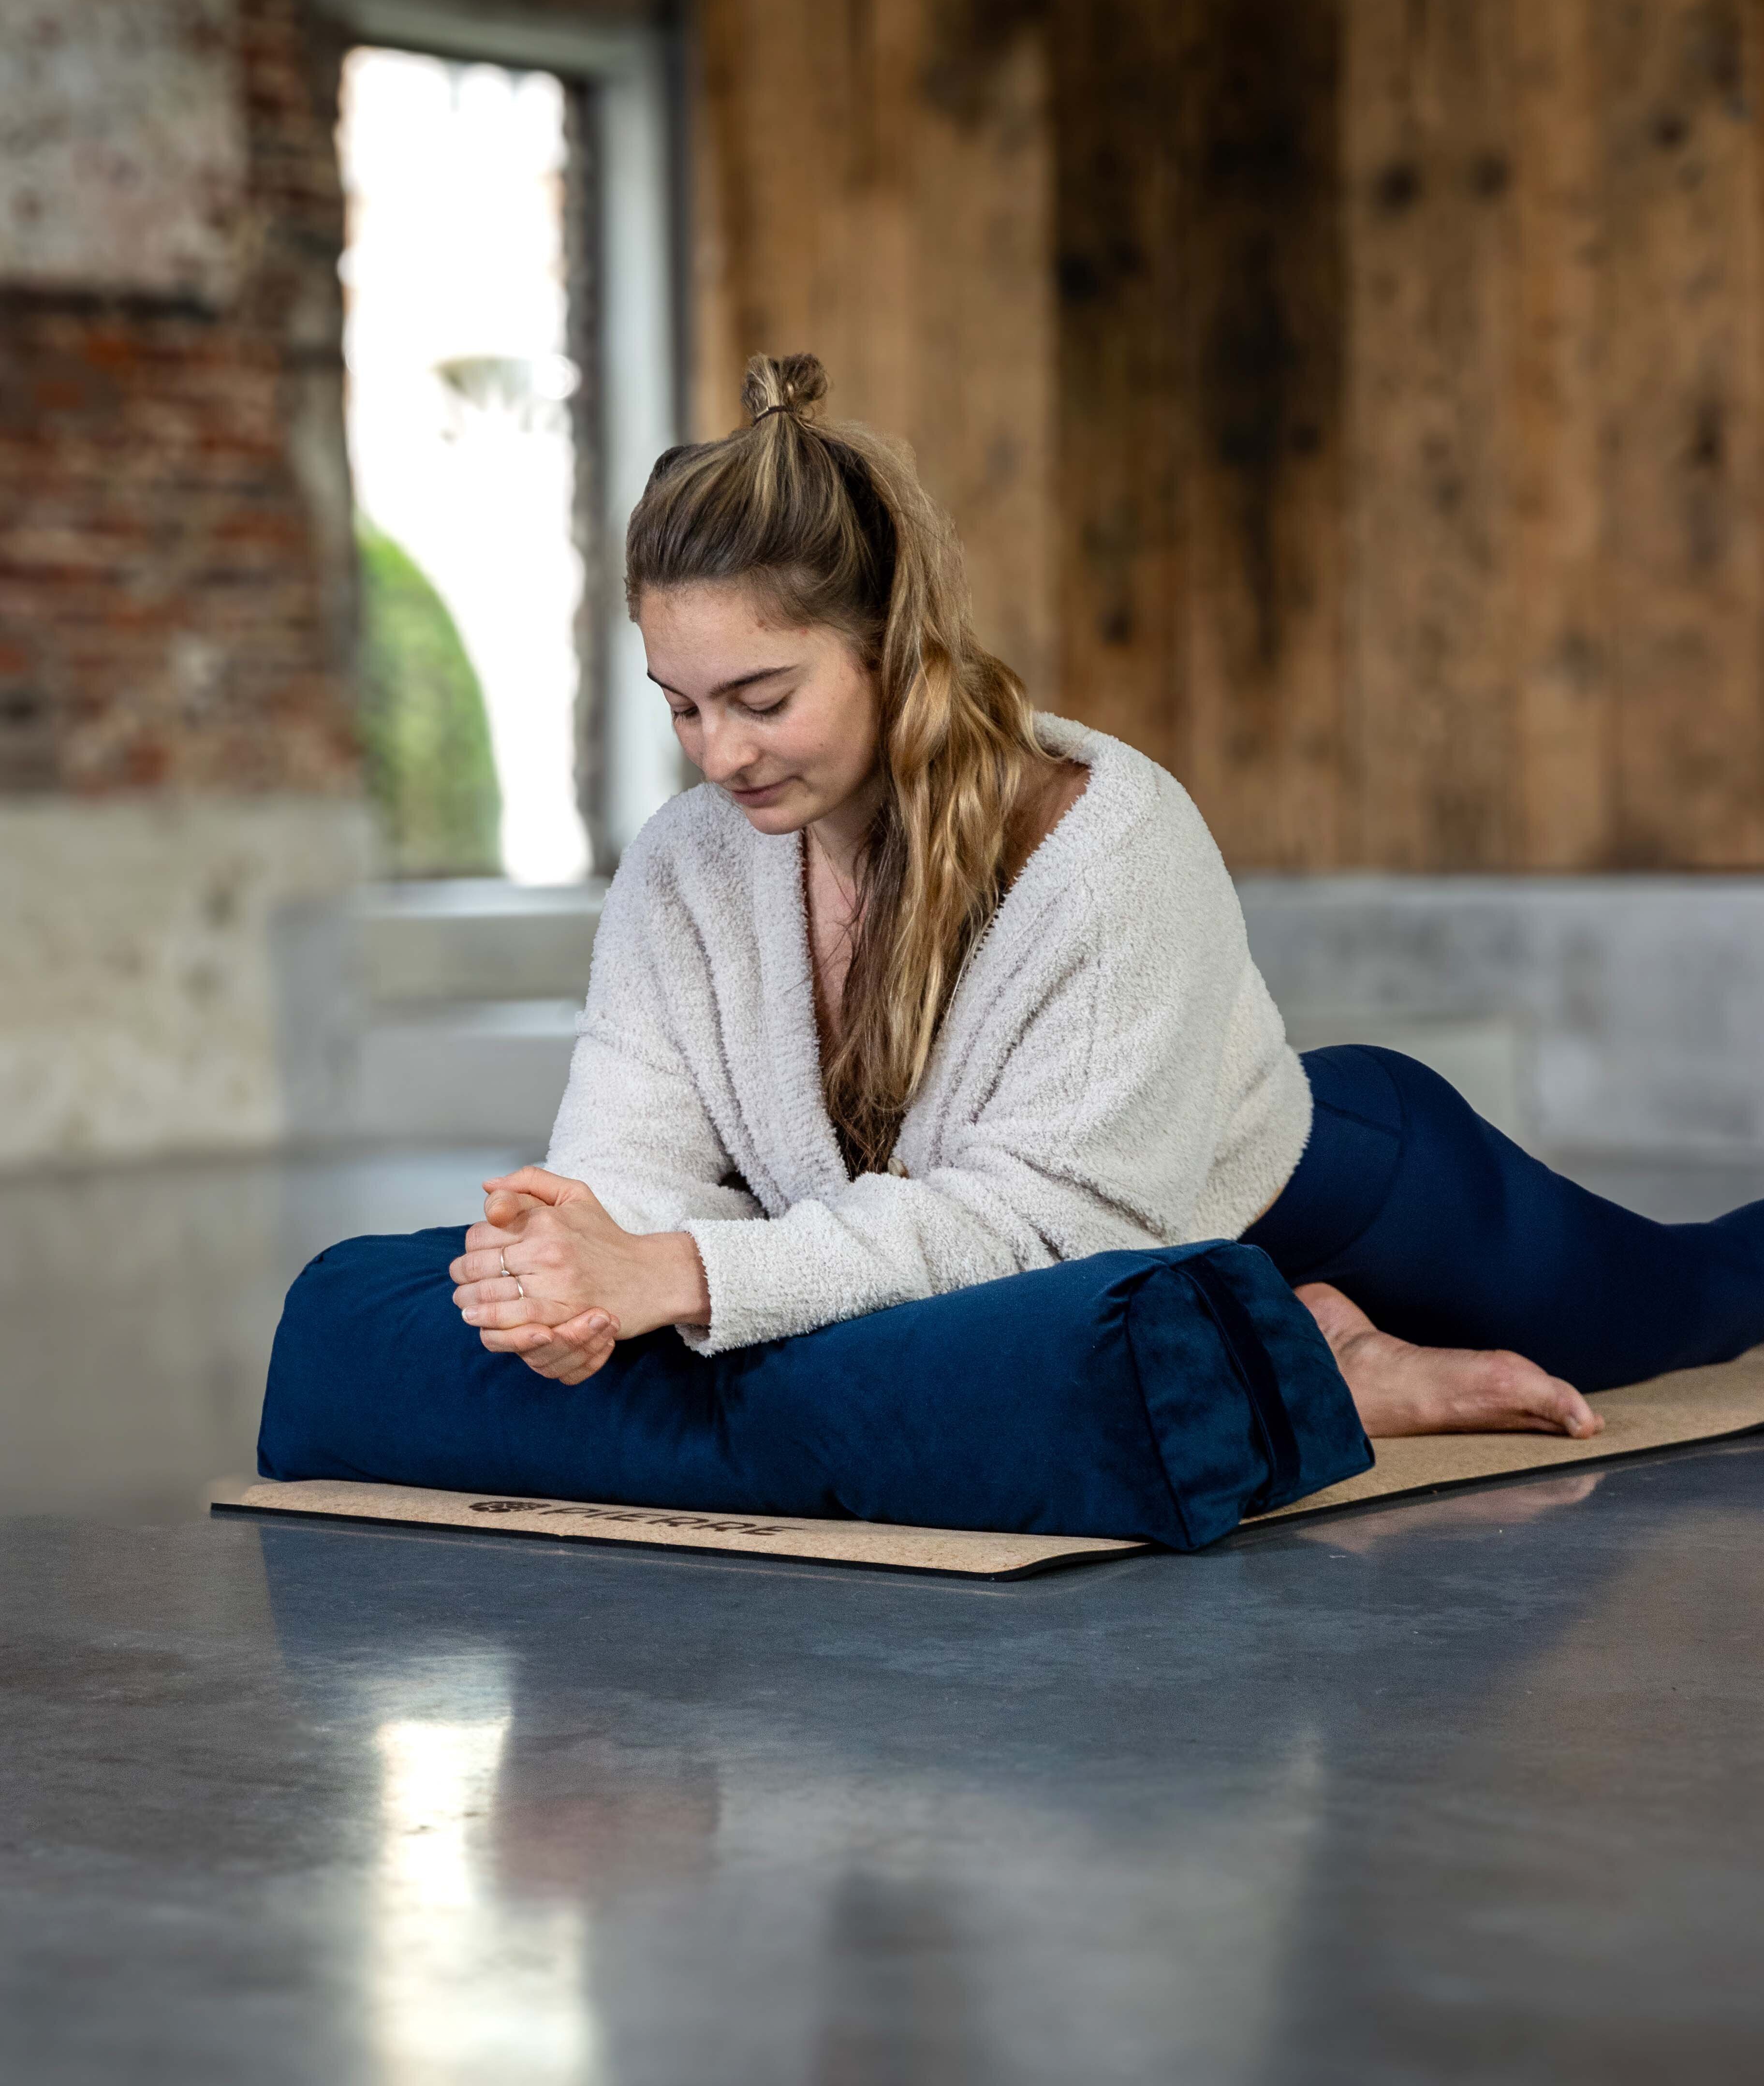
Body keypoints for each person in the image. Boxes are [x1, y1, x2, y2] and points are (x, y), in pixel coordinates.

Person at [450, 354, 1764, 1441]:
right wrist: (568, 1270)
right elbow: (631, 1165)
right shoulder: (684, 869)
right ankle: (1313, 1354)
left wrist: (675, 1273)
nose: (718, 755)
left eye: (764, 699)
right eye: (680, 707)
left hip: (1350, 1193)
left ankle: (1319, 1328)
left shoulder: (1106, 835)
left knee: (1705, 1294)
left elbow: (1044, 1229)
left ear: (888, 641)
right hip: (1125, 1279)